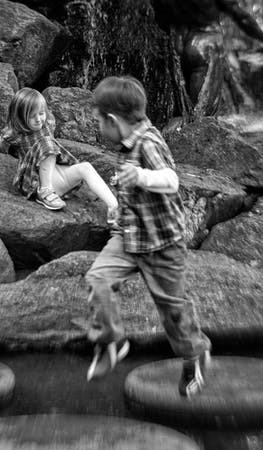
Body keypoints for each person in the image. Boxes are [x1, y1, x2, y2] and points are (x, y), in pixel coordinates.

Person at [86, 76, 212, 397]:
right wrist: (119, 208)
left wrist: (141, 176)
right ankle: (111, 341)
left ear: (113, 120)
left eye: (99, 120)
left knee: (172, 309)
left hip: (162, 244)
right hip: (130, 237)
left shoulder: (149, 142)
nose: (98, 126)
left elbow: (171, 181)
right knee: (98, 279)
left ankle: (193, 354)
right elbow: (136, 192)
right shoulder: (125, 144)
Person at [0, 87, 118, 223]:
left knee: (85, 167)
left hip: (57, 179)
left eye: (41, 113)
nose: (39, 119)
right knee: (46, 143)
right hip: (34, 183)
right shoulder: (15, 134)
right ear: (20, 118)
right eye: (32, 116)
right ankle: (45, 192)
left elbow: (51, 148)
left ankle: (114, 206)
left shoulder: (48, 122)